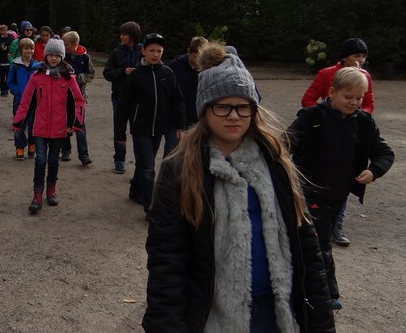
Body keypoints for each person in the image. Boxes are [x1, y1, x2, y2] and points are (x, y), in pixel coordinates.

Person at [143, 43, 335, 333]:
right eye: (222, 106)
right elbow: (167, 258)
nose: (234, 116)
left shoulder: (275, 161)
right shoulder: (181, 169)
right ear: (204, 109)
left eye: (243, 106)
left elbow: (307, 244)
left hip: (276, 316)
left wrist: (321, 319)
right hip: (213, 318)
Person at [289, 66, 393, 311]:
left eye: (359, 98)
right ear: (332, 92)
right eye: (348, 96)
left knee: (320, 242)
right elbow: (285, 143)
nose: (354, 102)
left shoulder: (364, 122)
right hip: (310, 191)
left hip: (339, 195)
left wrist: (374, 171)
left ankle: (316, 291)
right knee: (320, 242)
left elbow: (384, 152)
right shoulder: (312, 117)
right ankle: (324, 295)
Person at [300, 37, 375, 246]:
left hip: (351, 131)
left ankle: (337, 225)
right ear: (345, 57)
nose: (361, 60)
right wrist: (322, 118)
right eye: (356, 55)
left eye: (363, 56)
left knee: (344, 176)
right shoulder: (326, 74)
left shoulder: (365, 76)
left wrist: (358, 117)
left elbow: (368, 103)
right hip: (326, 131)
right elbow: (308, 100)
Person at [12, 35, 85, 214]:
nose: (53, 58)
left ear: (62, 57)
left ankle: (51, 190)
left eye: (57, 55)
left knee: (53, 162)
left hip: (59, 127)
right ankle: (37, 194)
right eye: (51, 54)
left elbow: (78, 101)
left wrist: (76, 123)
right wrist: (19, 122)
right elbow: (26, 101)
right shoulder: (36, 77)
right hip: (40, 127)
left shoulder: (68, 78)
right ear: (45, 55)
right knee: (40, 160)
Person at [115, 33, 185, 212]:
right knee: (148, 167)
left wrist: (180, 125)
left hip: (159, 128)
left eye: (159, 51)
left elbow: (177, 100)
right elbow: (123, 106)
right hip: (141, 129)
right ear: (143, 51)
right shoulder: (136, 76)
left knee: (145, 162)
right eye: (152, 50)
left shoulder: (167, 73)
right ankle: (150, 207)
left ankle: (135, 191)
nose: (155, 54)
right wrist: (120, 133)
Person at [103, 21, 143, 174]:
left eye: (124, 34)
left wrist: (137, 72)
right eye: (121, 34)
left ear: (132, 35)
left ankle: (140, 161)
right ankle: (119, 159)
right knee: (119, 129)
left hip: (137, 99)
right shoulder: (116, 52)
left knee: (138, 131)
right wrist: (122, 71)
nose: (121, 36)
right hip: (119, 98)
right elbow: (107, 73)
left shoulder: (142, 51)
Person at [163, 36, 208, 156]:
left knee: (194, 154)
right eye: (195, 56)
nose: (198, 60)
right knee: (172, 152)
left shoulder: (206, 69)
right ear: (189, 52)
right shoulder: (175, 66)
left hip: (196, 120)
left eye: (201, 56)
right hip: (175, 119)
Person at [60, 30, 94, 165]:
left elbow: (90, 74)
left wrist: (77, 78)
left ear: (75, 44)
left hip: (79, 97)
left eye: (66, 44)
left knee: (80, 125)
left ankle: (84, 154)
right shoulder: (63, 57)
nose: (65, 47)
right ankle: (65, 150)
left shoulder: (85, 58)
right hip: (64, 96)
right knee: (64, 122)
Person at [7, 37, 40, 160]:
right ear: (21, 50)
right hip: (20, 101)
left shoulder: (37, 66)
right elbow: (10, 82)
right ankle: (20, 146)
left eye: (31, 48)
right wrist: (17, 92)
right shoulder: (15, 66)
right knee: (19, 125)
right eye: (26, 48)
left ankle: (32, 144)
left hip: (34, 101)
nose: (29, 51)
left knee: (33, 125)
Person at [0, 24, 15, 96]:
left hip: (8, 60)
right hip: (1, 60)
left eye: (5, 30)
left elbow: (13, 47)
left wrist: (7, 48)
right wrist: (0, 48)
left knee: (8, 76)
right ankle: (2, 89)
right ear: (0, 31)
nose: (4, 32)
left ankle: (6, 89)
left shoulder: (11, 38)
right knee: (2, 76)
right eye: (2, 30)